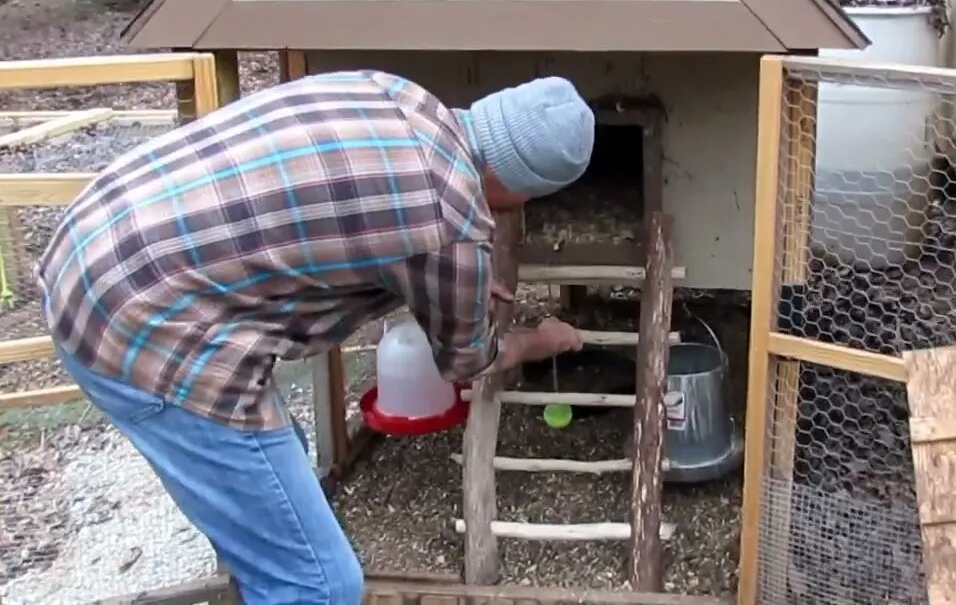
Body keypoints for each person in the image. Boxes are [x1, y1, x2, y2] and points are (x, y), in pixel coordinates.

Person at [35, 70, 595, 604]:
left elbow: (350, 218)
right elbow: (469, 361)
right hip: (142, 327)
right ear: (525, 192)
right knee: (318, 584)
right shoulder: (449, 228)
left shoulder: (395, 94)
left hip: (94, 239)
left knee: (285, 471)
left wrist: (453, 277)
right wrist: (538, 339)